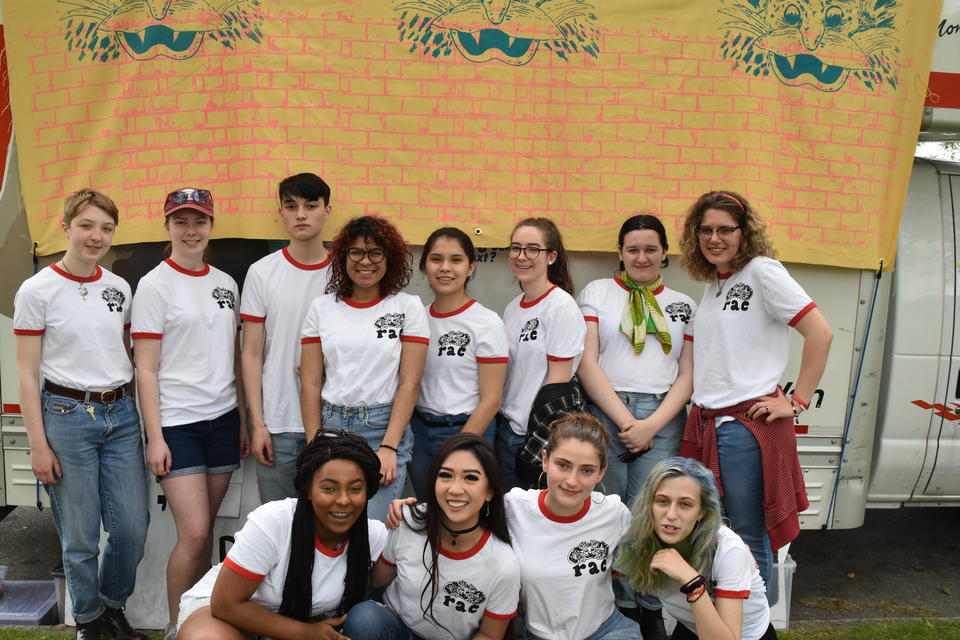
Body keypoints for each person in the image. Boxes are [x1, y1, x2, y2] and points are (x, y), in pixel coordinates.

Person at [677, 191, 833, 592]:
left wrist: (795, 402)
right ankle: (727, 621)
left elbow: (820, 332)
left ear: (744, 233)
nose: (715, 238)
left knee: (748, 534)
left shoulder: (763, 271)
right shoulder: (714, 284)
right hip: (710, 422)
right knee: (718, 530)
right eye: (706, 230)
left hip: (744, 428)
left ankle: (754, 627)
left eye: (725, 230)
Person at [14, 188, 148, 640]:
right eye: (87, 226)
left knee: (131, 529)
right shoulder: (37, 290)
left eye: (106, 228)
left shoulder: (119, 287)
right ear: (66, 227)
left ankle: (111, 607)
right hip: (66, 415)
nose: (96, 236)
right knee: (81, 537)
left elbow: (129, 352)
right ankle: (89, 622)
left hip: (121, 415)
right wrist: (38, 444)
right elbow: (27, 371)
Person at [131, 188, 248, 639]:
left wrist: (244, 418)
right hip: (177, 424)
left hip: (222, 419)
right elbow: (145, 368)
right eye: (181, 221)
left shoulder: (225, 282)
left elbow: (235, 356)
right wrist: (155, 436)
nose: (191, 230)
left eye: (199, 221)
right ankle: (173, 627)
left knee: (206, 533)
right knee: (195, 534)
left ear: (211, 225)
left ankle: (196, 621)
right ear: (167, 226)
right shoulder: (155, 285)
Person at [576, 214, 695, 636]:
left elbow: (687, 375)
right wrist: (627, 421)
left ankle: (649, 605)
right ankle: (618, 606)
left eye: (650, 249)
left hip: (662, 417)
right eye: (633, 249)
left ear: (665, 253)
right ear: (620, 253)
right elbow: (587, 362)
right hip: (608, 412)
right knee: (610, 513)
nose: (641, 257)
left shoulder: (684, 304)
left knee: (653, 515)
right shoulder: (597, 292)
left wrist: (651, 425)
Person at [177, 430, 388, 640]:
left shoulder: (373, 536)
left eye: (355, 489)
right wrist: (306, 633)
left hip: (296, 623)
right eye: (329, 488)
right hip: (222, 611)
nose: (343, 500)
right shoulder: (275, 521)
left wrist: (405, 520)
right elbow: (225, 604)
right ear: (308, 490)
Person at [300, 215, 429, 521]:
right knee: (332, 526)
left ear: (390, 258)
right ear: (343, 257)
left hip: (382, 429)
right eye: (356, 252)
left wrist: (389, 447)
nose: (365, 261)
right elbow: (309, 383)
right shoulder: (322, 308)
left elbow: (410, 384)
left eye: (375, 253)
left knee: (373, 530)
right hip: (330, 428)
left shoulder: (407, 307)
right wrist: (313, 445)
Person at [346, 433, 520, 640]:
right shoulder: (408, 520)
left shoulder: (503, 564)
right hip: (398, 629)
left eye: (471, 478)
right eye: (445, 475)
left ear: (489, 491)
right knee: (365, 619)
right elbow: (374, 579)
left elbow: (490, 636)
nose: (455, 489)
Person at [505, 412, 640, 640]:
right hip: (538, 634)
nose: (572, 481)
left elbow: (631, 565)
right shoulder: (514, 507)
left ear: (601, 472)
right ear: (545, 460)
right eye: (563, 465)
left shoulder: (614, 513)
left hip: (606, 630)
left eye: (586, 470)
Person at [241, 173, 333, 503]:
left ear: (327, 211)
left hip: (333, 422)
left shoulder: (345, 274)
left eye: (311, 206)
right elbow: (251, 354)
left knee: (329, 530)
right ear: (280, 211)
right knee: (279, 529)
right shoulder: (262, 272)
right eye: (291, 206)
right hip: (277, 424)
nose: (301, 214)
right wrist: (258, 423)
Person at [617, 457, 778, 640]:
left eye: (685, 504)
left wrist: (691, 581)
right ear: (649, 504)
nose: (671, 515)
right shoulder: (637, 538)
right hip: (691, 627)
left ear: (702, 512)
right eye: (662, 501)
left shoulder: (729, 550)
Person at [410, 227, 508, 497]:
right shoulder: (415, 318)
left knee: (462, 512)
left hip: (468, 431)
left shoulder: (486, 322)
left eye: (455, 260)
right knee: (426, 511)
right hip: (418, 433)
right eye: (436, 259)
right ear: (424, 266)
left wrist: (457, 446)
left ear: (470, 268)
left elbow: (492, 400)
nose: (445, 268)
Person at [498, 218, 586, 490]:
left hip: (537, 436)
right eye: (516, 248)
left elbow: (557, 385)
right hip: (507, 432)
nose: (522, 257)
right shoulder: (513, 307)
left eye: (533, 249)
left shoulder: (560, 306)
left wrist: (538, 440)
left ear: (551, 257)